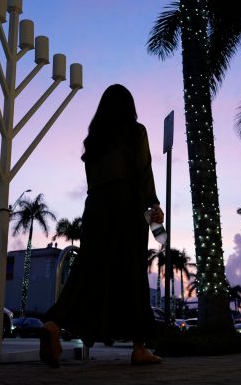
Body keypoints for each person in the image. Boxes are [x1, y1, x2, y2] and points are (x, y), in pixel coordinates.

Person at [39, 84, 165, 367]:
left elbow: (91, 180)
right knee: (132, 272)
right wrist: (153, 204)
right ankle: (139, 347)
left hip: (95, 204)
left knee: (87, 270)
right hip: (126, 202)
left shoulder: (94, 139)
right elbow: (143, 168)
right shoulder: (135, 131)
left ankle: (53, 322)